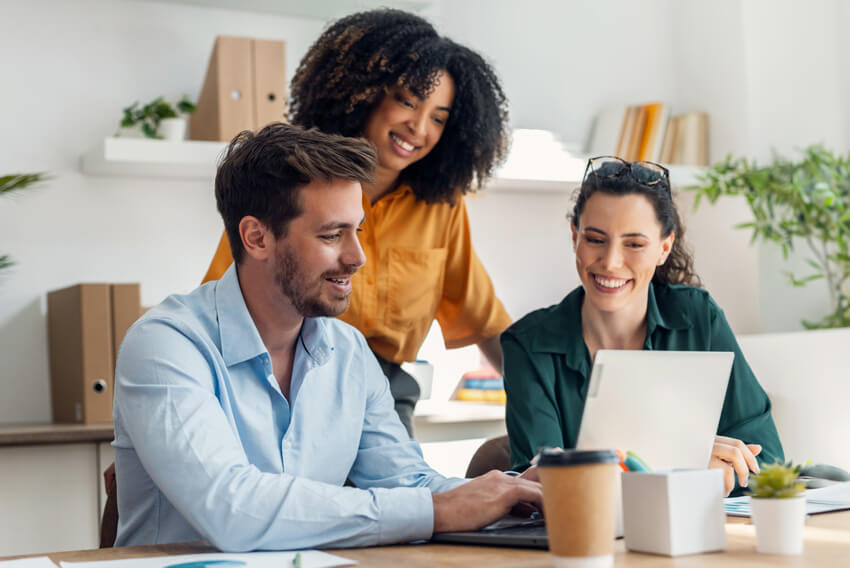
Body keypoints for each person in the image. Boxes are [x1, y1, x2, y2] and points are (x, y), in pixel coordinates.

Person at [112, 123, 541, 551]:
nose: (357, 257)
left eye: (358, 230)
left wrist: (511, 494)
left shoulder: (349, 351)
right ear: (256, 237)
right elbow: (232, 508)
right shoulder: (165, 345)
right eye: (332, 235)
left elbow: (407, 481)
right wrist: (435, 511)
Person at [202, 9, 512, 436]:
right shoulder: (288, 181)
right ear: (364, 93)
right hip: (281, 384)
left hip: (383, 395)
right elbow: (219, 308)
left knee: (408, 498)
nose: (418, 127)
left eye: (438, 117)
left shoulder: (443, 207)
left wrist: (555, 409)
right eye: (407, 101)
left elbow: (484, 321)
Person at [501, 156, 784, 496]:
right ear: (574, 236)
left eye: (634, 244)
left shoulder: (698, 319)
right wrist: (686, 467)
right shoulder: (527, 345)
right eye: (594, 239)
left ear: (664, 248)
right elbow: (540, 488)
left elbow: (766, 462)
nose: (610, 262)